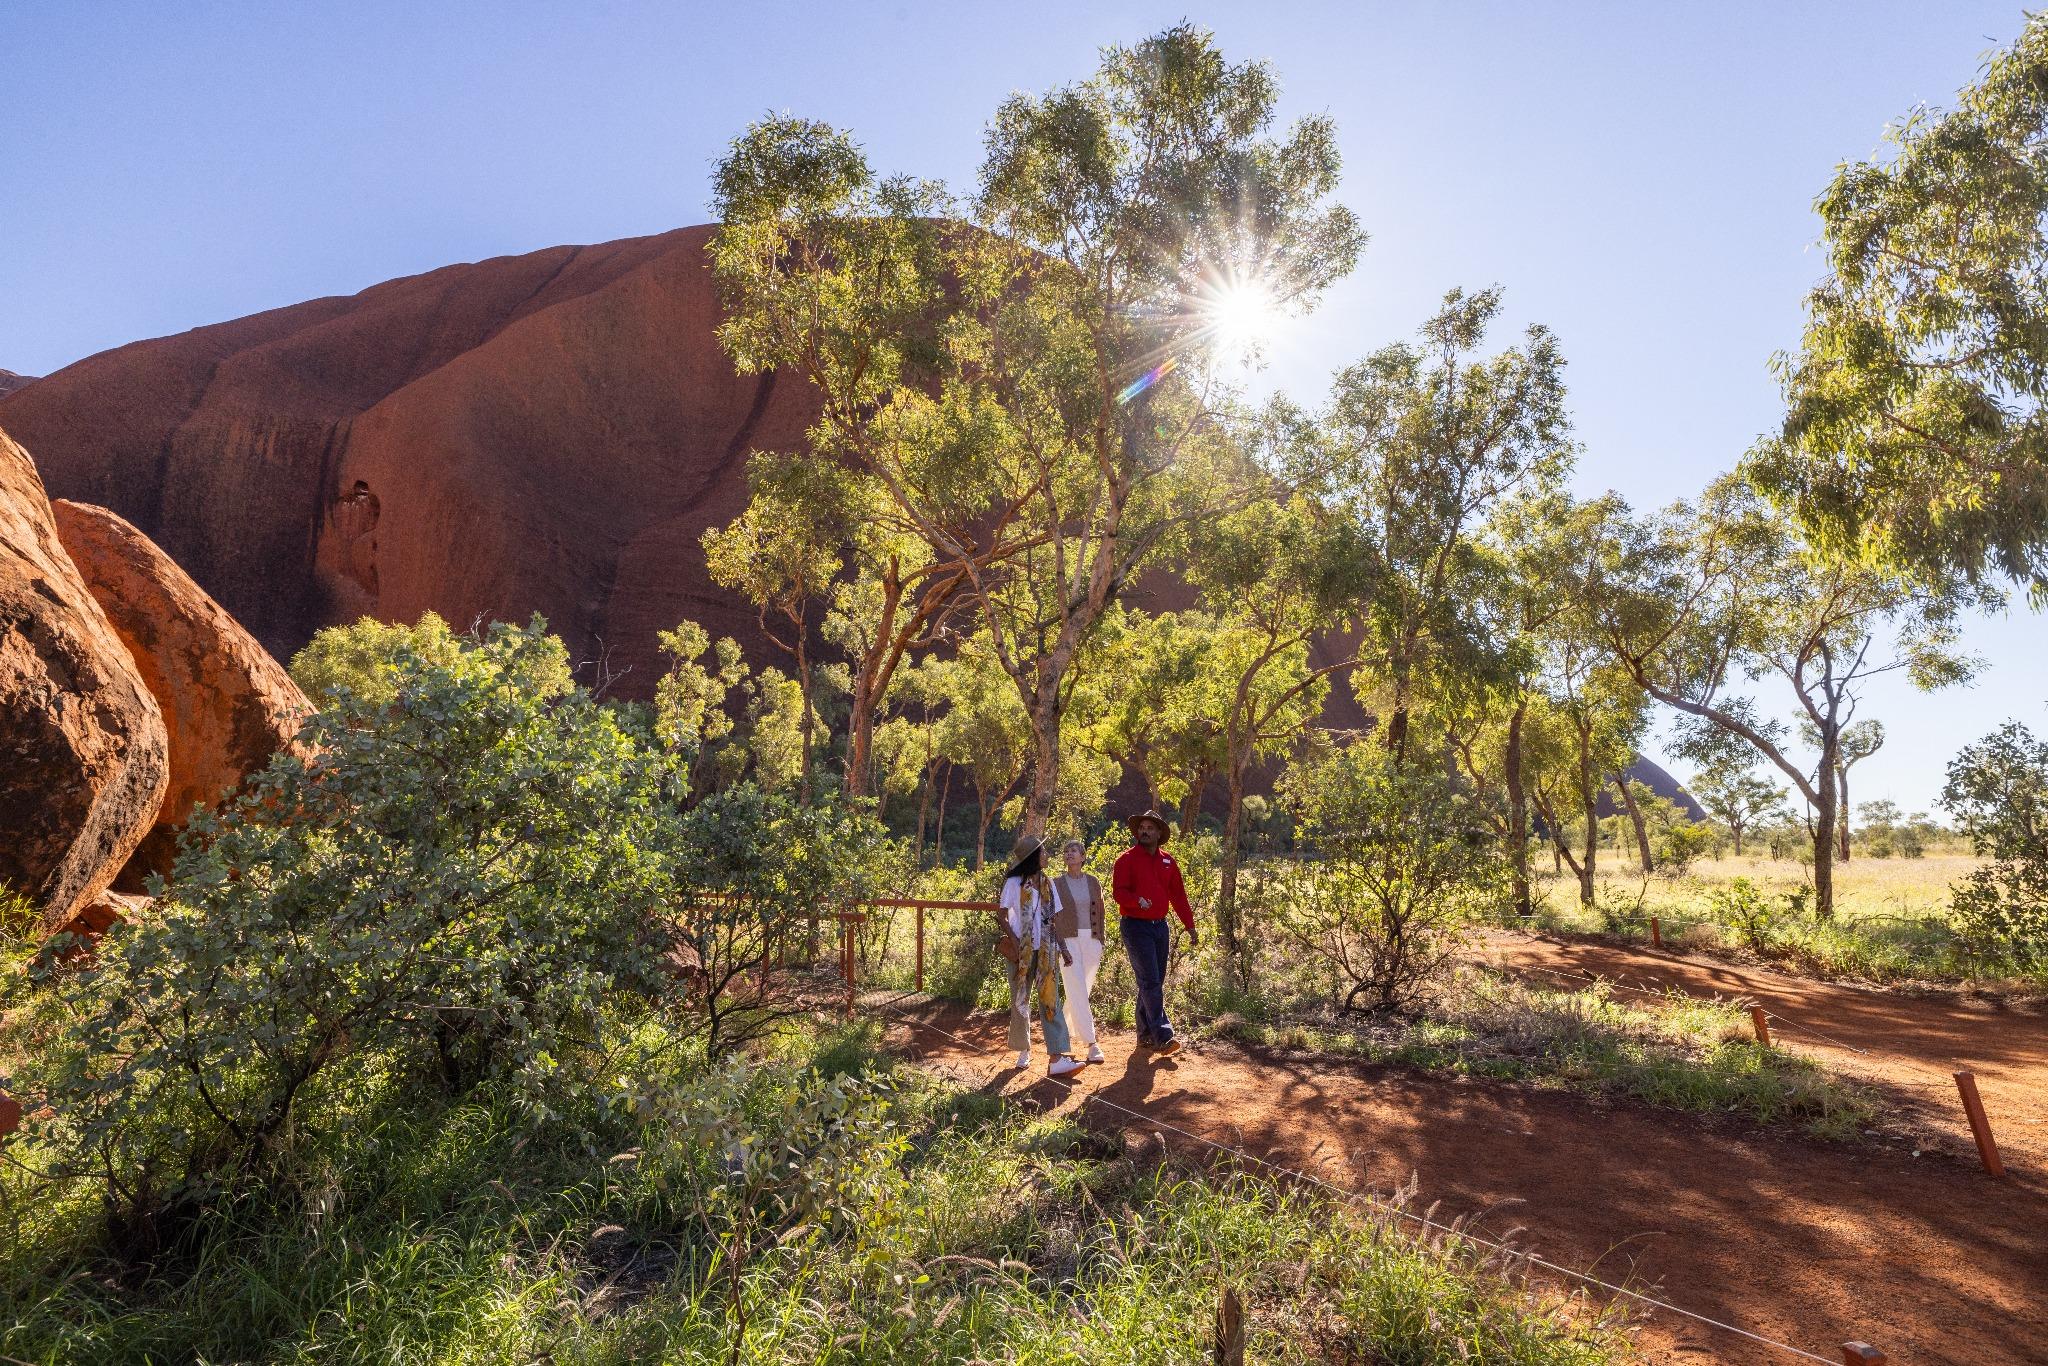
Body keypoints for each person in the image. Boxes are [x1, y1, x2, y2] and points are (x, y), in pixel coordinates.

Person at [1111, 809, 1197, 1057]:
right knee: (1150, 981)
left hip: (1160, 926)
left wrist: (1189, 925)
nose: (1144, 831)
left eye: (1150, 828)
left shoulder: (1168, 861)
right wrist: (1138, 901)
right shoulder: (1126, 860)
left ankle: (1145, 1035)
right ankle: (1163, 1036)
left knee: (1153, 982)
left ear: (1159, 833)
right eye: (1141, 828)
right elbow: (1119, 893)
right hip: (1135, 926)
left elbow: (1178, 896)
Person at [997, 838, 1085, 1076]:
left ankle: (1056, 1058)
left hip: (1046, 949)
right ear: (1033, 857)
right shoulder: (1014, 882)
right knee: (1020, 1000)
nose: (1047, 854)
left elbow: (1052, 921)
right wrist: (1015, 941)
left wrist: (1064, 949)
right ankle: (1023, 1049)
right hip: (1021, 952)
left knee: (1050, 1000)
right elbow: (1002, 915)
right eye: (1043, 851)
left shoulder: (1048, 883)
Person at [1049, 837, 1107, 1063]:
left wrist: (1101, 939)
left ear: (1083, 857)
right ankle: (1092, 1044)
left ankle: (1061, 1035)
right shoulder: (1056, 884)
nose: (1069, 854)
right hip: (1068, 941)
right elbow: (1051, 915)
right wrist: (1059, 944)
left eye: (1074, 851)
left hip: (1091, 940)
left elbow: (1101, 911)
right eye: (1066, 851)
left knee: (1081, 990)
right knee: (1077, 989)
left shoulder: (1093, 881)